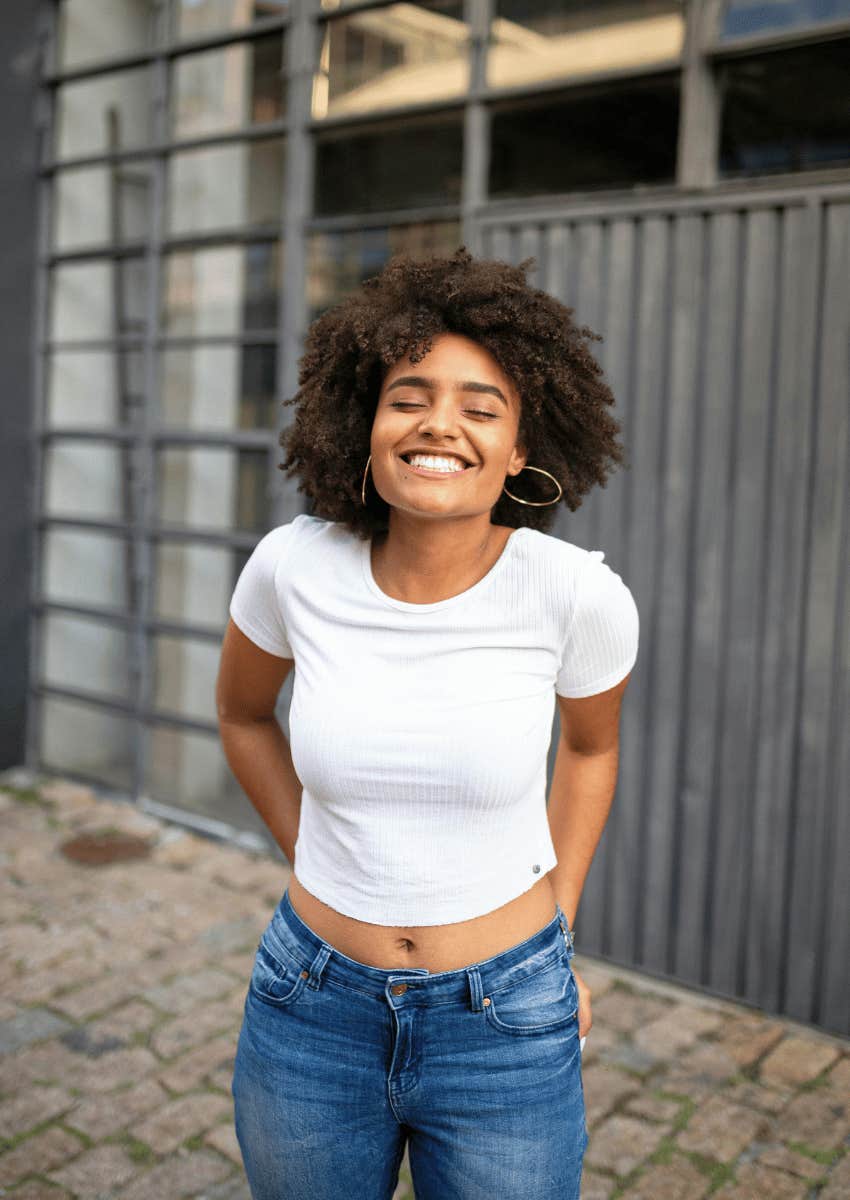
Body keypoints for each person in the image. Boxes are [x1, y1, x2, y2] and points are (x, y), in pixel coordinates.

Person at [216, 246, 639, 1199]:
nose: (439, 424)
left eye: (481, 407)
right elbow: (244, 717)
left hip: (506, 1021)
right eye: (408, 396)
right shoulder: (293, 566)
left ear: (523, 449)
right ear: (364, 423)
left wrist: (558, 928)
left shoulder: (576, 596)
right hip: (310, 1010)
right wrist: (317, 850)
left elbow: (591, 747)